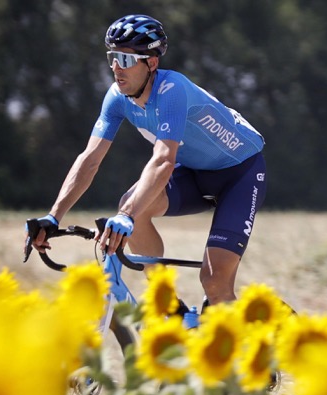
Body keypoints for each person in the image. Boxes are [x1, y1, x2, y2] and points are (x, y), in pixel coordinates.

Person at [26, 14, 266, 306]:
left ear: (151, 63)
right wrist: (54, 216)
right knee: (133, 205)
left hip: (239, 174)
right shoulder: (116, 97)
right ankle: (168, 304)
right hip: (195, 172)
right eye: (112, 58)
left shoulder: (173, 89)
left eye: (126, 60)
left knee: (214, 284)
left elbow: (164, 160)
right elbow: (89, 159)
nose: (116, 68)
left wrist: (125, 214)